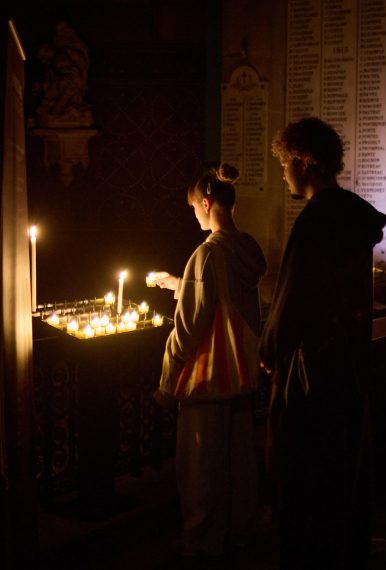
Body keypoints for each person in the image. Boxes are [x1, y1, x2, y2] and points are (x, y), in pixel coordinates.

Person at [259, 117, 386, 568]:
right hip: (349, 365)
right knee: (341, 476)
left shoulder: (317, 219)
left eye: (283, 164)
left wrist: (270, 349)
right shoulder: (352, 213)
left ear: (303, 162)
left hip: (313, 371)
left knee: (305, 476)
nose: (282, 175)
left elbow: (294, 294)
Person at [152, 163, 267, 558]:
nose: (194, 214)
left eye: (194, 207)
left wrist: (168, 380)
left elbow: (189, 326)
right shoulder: (248, 248)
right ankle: (240, 537)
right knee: (240, 465)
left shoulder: (205, 254)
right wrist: (177, 284)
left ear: (206, 202)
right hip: (242, 374)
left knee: (201, 469)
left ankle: (201, 545)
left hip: (207, 377)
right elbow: (228, 297)